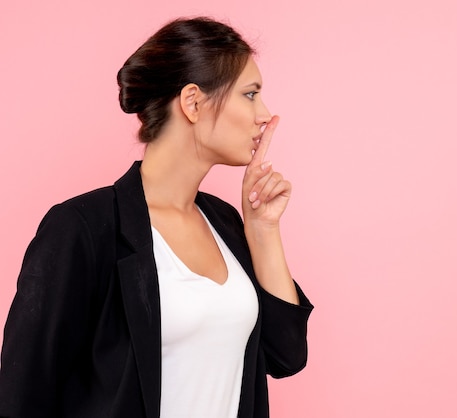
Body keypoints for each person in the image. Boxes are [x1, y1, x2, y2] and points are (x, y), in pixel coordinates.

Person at [0, 17, 313, 418]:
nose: (264, 115)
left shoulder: (227, 224)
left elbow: (286, 355)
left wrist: (263, 229)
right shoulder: (83, 228)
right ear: (193, 102)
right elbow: (22, 394)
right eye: (250, 94)